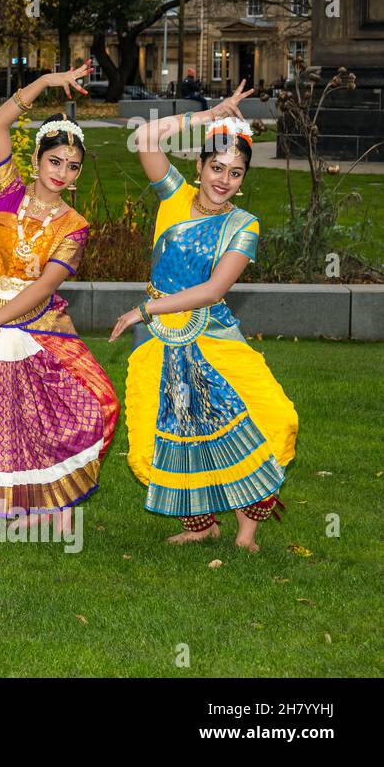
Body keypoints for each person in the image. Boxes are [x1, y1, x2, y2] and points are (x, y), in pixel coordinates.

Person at [113, 81, 298, 552]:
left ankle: (247, 532)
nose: (224, 180)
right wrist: (207, 114)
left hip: (211, 330)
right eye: (217, 167)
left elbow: (214, 289)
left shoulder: (243, 225)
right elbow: (146, 139)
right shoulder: (174, 196)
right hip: (159, 336)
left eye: (235, 173)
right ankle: (200, 525)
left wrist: (143, 309)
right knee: (164, 431)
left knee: (272, 417)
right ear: (198, 165)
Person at [0, 61, 119, 533]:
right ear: (36, 159)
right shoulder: (4, 192)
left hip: (36, 320)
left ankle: (59, 513)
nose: (62, 173)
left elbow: (46, 285)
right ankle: (14, 511)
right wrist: (45, 83)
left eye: (72, 167)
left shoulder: (75, 226)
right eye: (55, 161)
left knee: (74, 407)